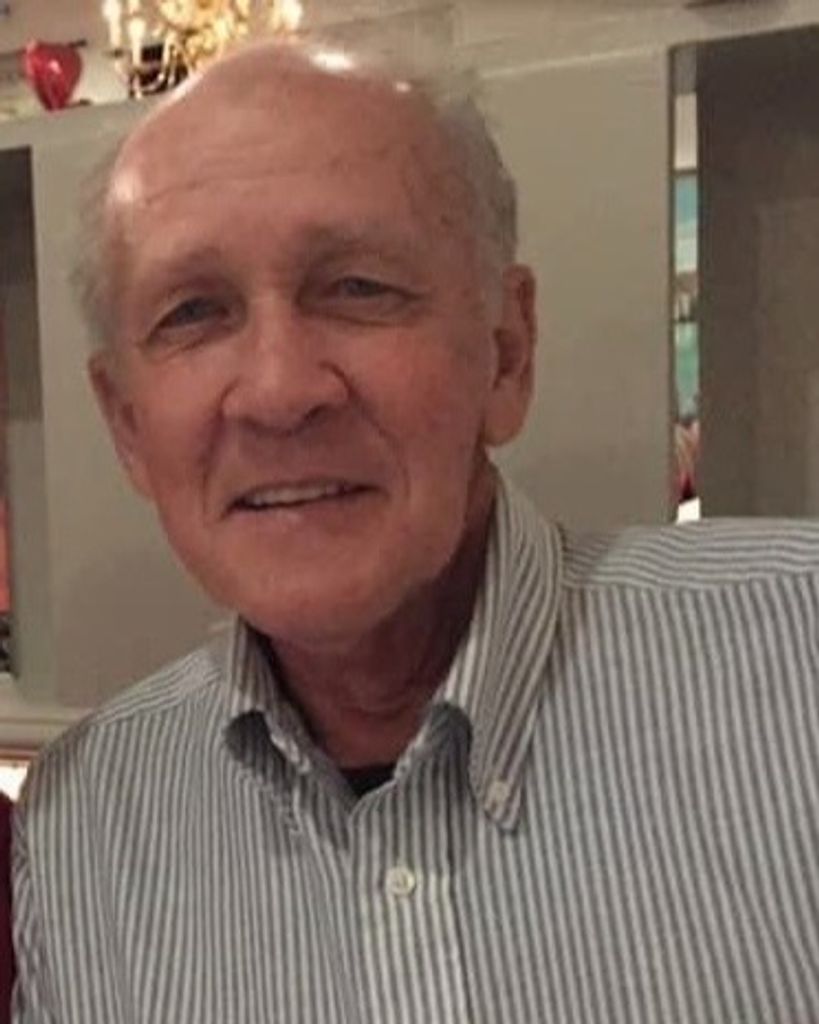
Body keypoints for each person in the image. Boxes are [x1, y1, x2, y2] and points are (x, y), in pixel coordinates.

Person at [12, 38, 819, 1023]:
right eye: (193, 313)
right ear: (129, 428)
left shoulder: (798, 667)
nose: (279, 391)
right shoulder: (88, 823)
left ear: (506, 352)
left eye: (358, 287)